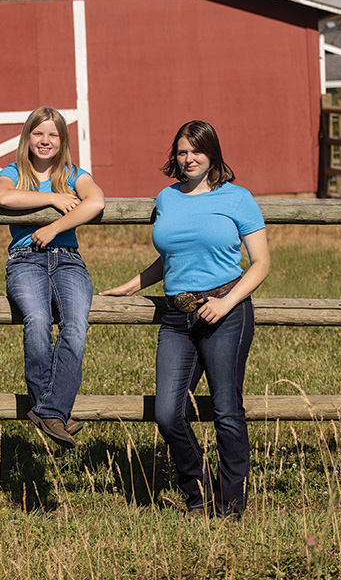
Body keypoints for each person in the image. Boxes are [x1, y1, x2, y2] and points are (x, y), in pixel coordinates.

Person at [102, 121, 269, 518]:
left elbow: (261, 264)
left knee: (227, 410)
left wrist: (226, 303)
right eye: (182, 151)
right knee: (167, 413)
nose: (189, 158)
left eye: (196, 151)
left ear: (212, 154)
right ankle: (199, 494)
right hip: (177, 317)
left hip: (225, 313)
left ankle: (231, 506)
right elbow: (173, 256)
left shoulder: (238, 198)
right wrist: (132, 285)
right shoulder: (167, 197)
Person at [0, 107, 105, 448]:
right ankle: (53, 412)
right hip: (26, 260)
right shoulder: (11, 172)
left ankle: (47, 410)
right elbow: (4, 196)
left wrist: (55, 227)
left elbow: (95, 201)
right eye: (38, 134)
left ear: (62, 140)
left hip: (68, 261)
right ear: (27, 138)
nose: (45, 140)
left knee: (75, 325)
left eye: (53, 135)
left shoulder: (74, 174)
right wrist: (54, 199)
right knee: (38, 320)